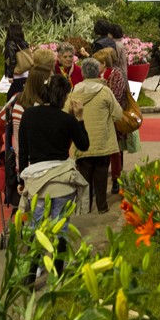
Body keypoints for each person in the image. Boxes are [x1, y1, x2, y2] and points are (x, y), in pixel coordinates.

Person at [18, 74, 89, 284]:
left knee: (36, 230)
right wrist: (79, 117)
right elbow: (84, 145)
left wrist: (21, 181)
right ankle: (57, 276)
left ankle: (30, 276)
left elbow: (23, 152)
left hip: (37, 180)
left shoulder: (29, 115)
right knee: (61, 228)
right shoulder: (67, 119)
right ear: (64, 95)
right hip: (63, 181)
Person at [68, 58, 122, 213]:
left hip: (82, 140)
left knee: (84, 176)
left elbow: (66, 112)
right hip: (102, 142)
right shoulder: (105, 91)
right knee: (101, 174)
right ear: (98, 72)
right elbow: (118, 114)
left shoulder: (75, 91)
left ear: (83, 73)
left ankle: (85, 208)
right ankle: (102, 207)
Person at [94, 48, 127, 194]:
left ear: (103, 63)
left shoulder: (116, 75)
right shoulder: (97, 75)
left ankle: (116, 180)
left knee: (115, 152)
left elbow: (116, 97)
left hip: (112, 120)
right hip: (100, 119)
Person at [4, 23, 30, 100]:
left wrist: (10, 75)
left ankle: (10, 112)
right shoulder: (24, 43)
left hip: (17, 74)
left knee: (10, 98)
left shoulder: (11, 44)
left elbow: (11, 60)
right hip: (25, 72)